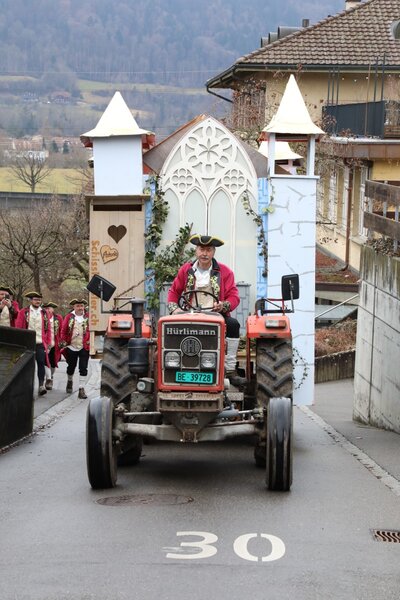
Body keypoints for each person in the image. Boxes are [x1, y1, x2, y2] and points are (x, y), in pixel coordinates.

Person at [167, 233, 246, 386]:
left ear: (214, 252)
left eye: (208, 250)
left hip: (216, 315)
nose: (204, 253)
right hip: (189, 314)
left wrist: (223, 305)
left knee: (233, 325)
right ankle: (175, 366)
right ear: (196, 251)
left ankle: (230, 370)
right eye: (201, 249)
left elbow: (234, 297)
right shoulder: (186, 270)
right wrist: (174, 309)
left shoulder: (225, 271)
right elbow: (173, 292)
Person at [15, 291, 51, 396]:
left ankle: (41, 385)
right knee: (27, 365)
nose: (37, 301)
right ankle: (27, 386)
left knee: (41, 363)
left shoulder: (44, 313)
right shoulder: (24, 312)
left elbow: (48, 329)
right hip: (27, 343)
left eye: (39, 300)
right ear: (31, 300)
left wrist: (48, 342)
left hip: (40, 342)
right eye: (35, 299)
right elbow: (19, 327)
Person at [60, 298, 90, 399]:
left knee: (83, 368)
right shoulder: (69, 317)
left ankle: (81, 389)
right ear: (74, 307)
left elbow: (92, 330)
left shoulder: (88, 317)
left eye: (82, 306)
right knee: (71, 367)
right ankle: (70, 380)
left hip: (84, 346)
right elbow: (63, 331)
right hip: (71, 346)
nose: (80, 308)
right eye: (78, 306)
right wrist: (63, 342)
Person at [42, 301, 63, 390]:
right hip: (44, 343)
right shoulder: (42, 317)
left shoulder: (58, 318)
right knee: (45, 362)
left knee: (53, 363)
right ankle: (48, 379)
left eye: (48, 308)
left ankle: (51, 376)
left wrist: (62, 342)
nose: (47, 310)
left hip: (55, 344)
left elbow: (61, 330)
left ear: (52, 309)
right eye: (45, 308)